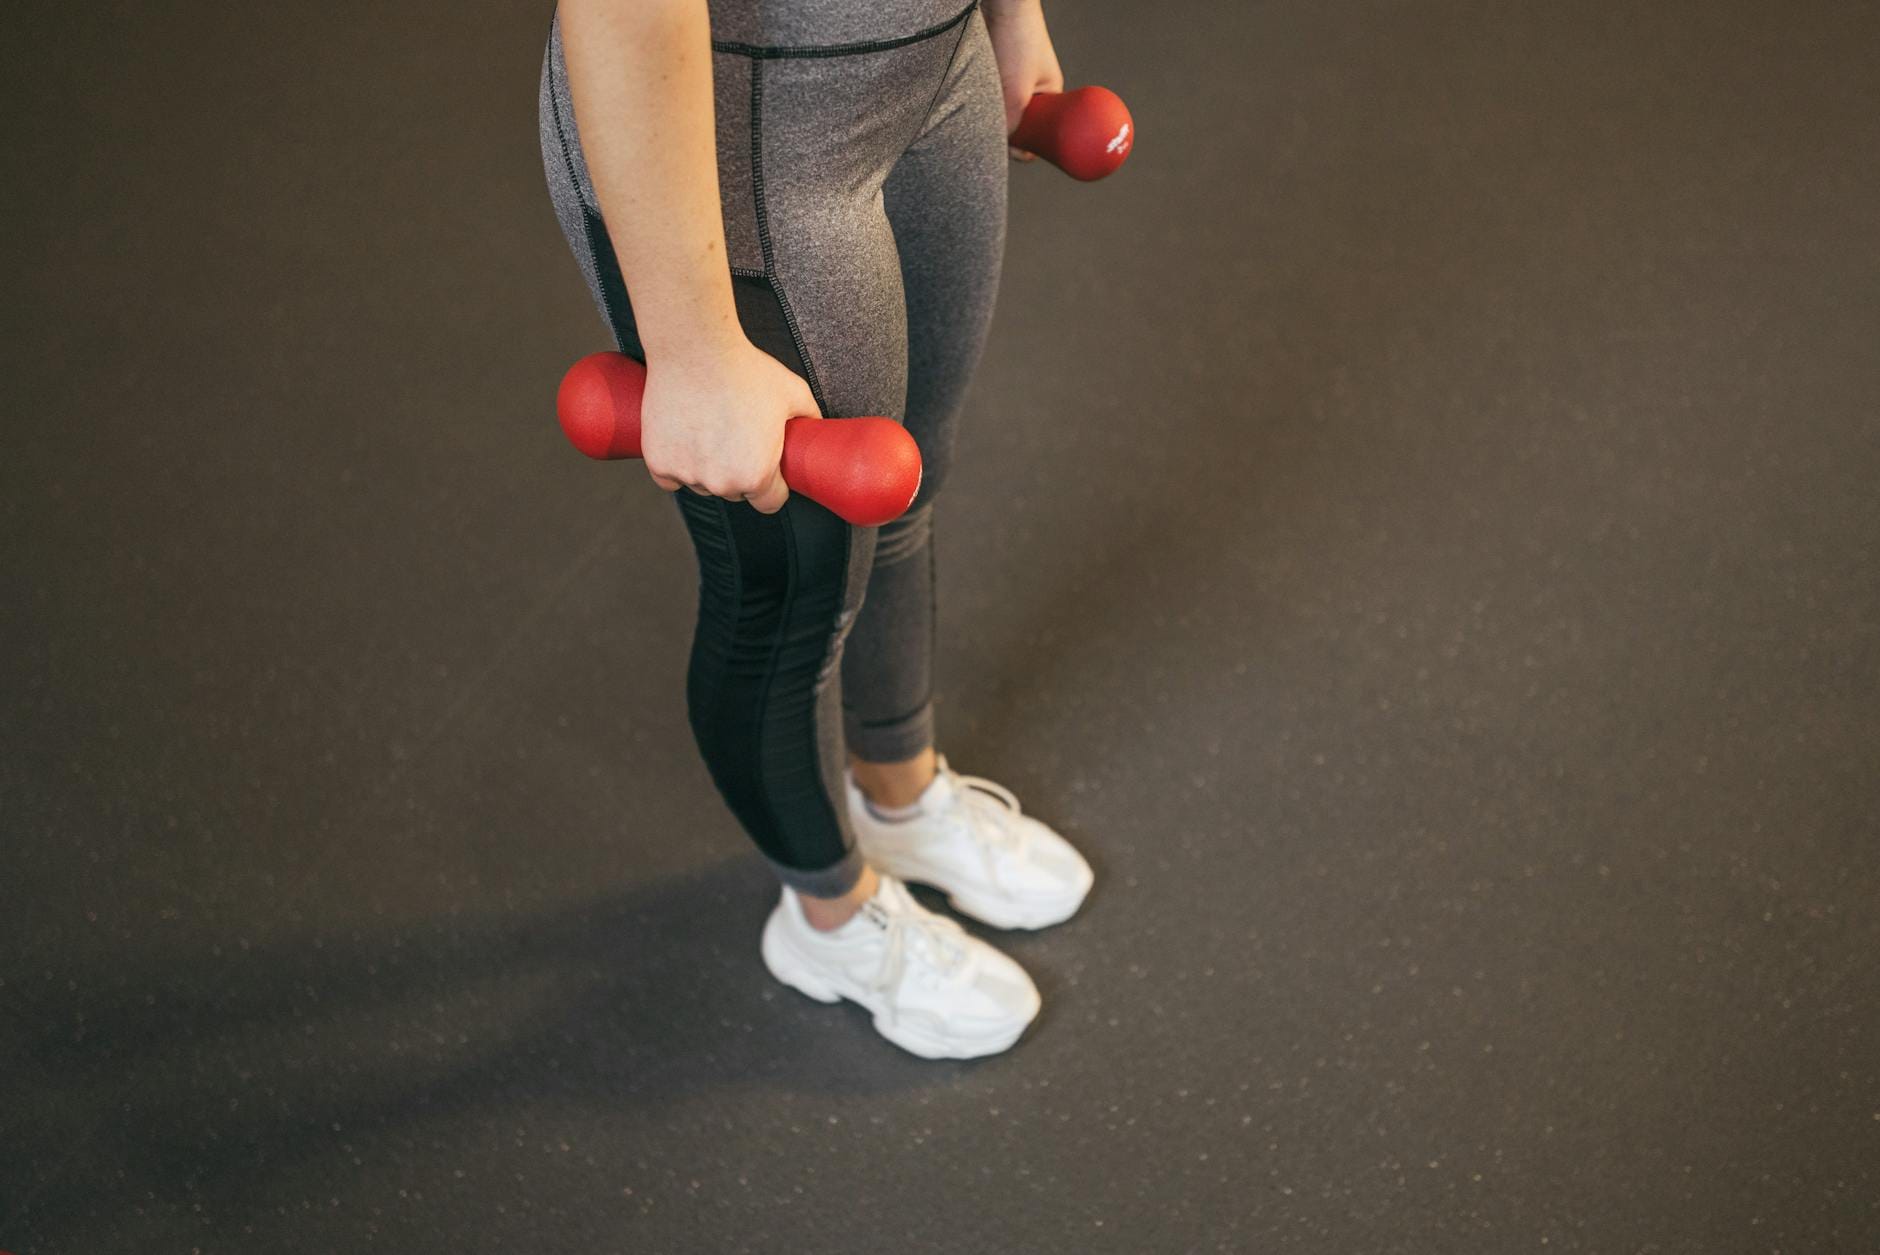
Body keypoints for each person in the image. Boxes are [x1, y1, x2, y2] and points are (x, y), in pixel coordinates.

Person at [537, 0, 1094, 1060]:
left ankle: (898, 791)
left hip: (939, 68)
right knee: (789, 591)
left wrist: (1012, 15)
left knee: (909, 474)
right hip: (747, 139)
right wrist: (693, 349)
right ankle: (829, 916)